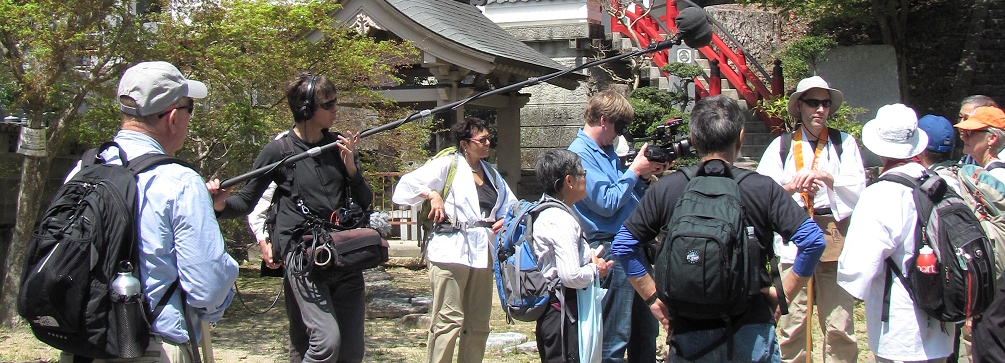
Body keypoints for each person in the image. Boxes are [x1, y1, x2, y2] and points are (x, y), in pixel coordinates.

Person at [612, 95, 826, 362]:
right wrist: (782, 296)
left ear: (693, 138)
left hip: (687, 332)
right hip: (752, 327)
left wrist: (653, 298)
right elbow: (813, 241)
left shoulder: (668, 188)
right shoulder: (762, 188)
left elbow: (623, 245)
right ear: (741, 137)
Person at [58, 61, 240, 362]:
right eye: (189, 109)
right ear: (172, 118)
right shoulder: (180, 182)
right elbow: (208, 286)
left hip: (83, 346)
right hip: (152, 348)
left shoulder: (84, 169)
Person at [208, 72, 372, 363]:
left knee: (350, 352)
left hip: (344, 255)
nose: (336, 109)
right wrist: (220, 205)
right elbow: (246, 201)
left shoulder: (339, 147)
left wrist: (351, 168)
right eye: (329, 103)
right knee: (326, 342)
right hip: (303, 259)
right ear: (307, 110)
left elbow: (365, 200)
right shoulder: (279, 151)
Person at [756, 75, 864, 363]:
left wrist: (828, 178)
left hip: (833, 235)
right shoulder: (781, 146)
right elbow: (762, 193)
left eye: (825, 104)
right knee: (793, 323)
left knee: (840, 323)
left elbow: (858, 190)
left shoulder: (844, 143)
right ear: (800, 106)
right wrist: (793, 186)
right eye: (813, 103)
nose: (820, 109)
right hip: (795, 234)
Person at [391, 117, 517, 363]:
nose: (488, 143)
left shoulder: (491, 174)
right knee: (448, 320)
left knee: (478, 323)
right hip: (449, 250)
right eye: (482, 140)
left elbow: (509, 206)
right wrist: (431, 193)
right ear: (465, 144)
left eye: (490, 138)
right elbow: (403, 188)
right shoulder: (446, 165)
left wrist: (506, 221)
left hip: (482, 252)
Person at [837, 103, 956, 362]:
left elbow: (858, 267)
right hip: (942, 321)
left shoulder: (879, 194)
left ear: (879, 148)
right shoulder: (937, 184)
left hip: (899, 326)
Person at [567, 89, 667, 363]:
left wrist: (644, 178)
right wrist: (634, 171)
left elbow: (629, 199)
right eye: (619, 126)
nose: (621, 134)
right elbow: (607, 203)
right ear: (603, 120)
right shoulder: (579, 156)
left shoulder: (608, 151)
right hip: (612, 250)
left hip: (636, 247)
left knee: (645, 333)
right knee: (615, 336)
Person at [530, 149, 614, 363]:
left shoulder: (551, 210)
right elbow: (571, 276)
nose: (586, 179)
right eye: (583, 174)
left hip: (558, 311)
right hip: (563, 313)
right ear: (569, 180)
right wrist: (597, 269)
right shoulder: (560, 219)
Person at [956, 106, 1005, 181]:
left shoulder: (997, 176)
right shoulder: (986, 172)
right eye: (964, 131)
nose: (964, 136)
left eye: (970, 132)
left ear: (992, 138)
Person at [958, 95, 999, 163]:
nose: (961, 125)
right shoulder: (967, 158)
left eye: (968, 119)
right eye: (960, 117)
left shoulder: (999, 165)